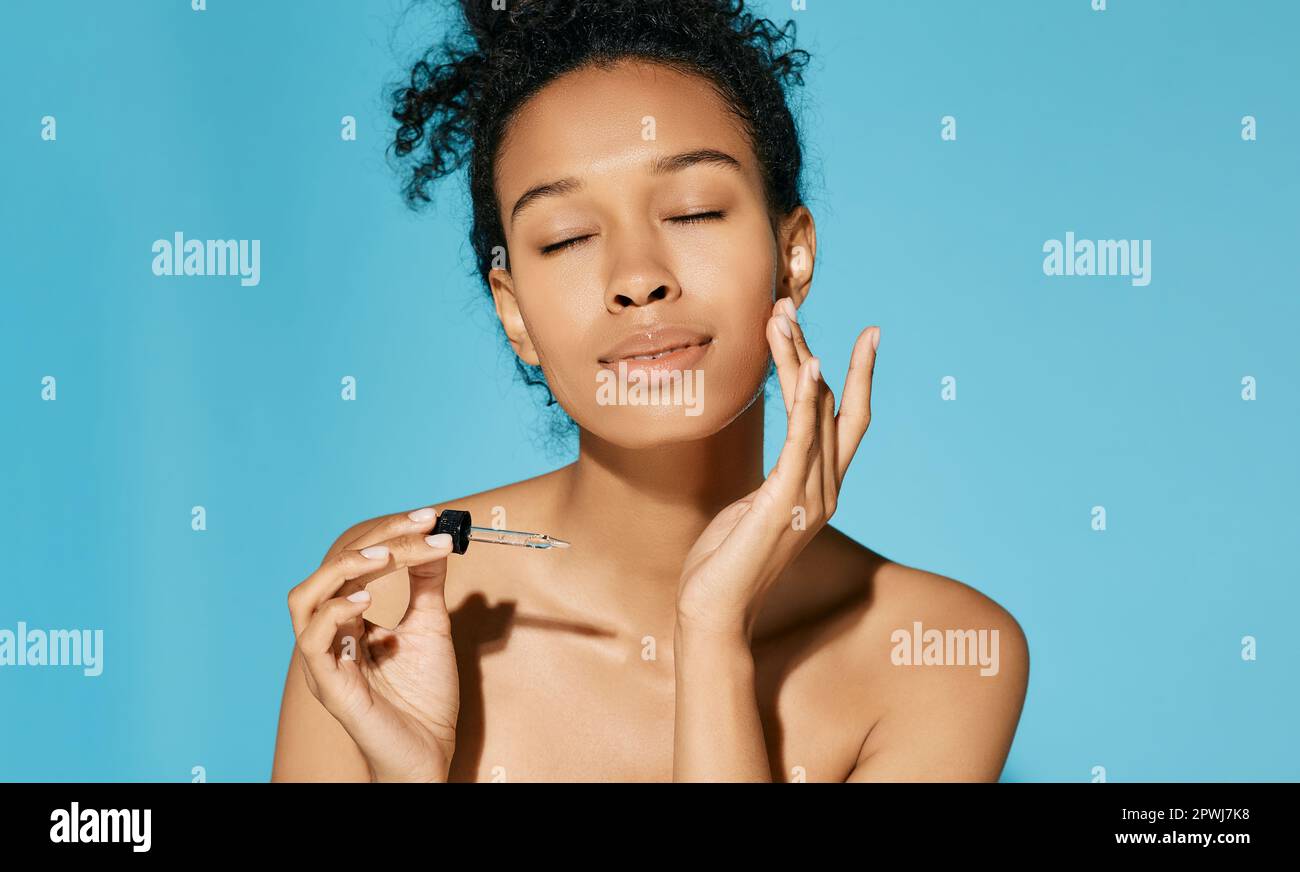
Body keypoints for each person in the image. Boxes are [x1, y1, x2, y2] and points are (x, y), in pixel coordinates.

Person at [271, 0, 1028, 782]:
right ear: (514, 311)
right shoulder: (388, 595)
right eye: (565, 237)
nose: (637, 278)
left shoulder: (944, 655)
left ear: (792, 254)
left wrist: (711, 632)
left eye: (694, 210)